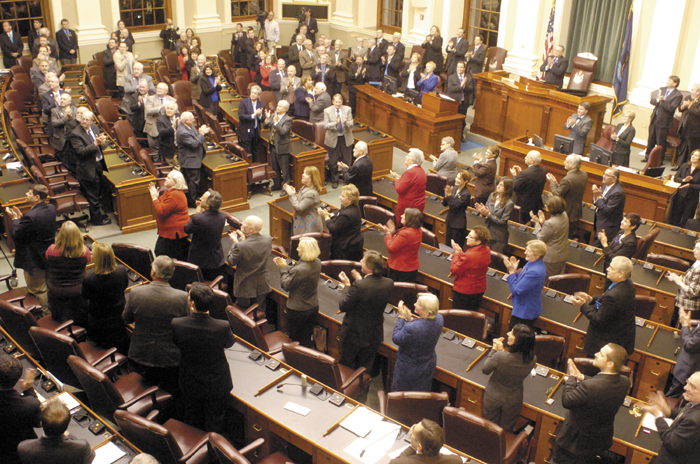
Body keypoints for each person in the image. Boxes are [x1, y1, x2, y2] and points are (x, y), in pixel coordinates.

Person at [550, 343, 631, 464]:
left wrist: (572, 377)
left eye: (601, 354)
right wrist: (582, 377)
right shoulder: (625, 382)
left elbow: (567, 400)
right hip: (597, 441)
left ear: (610, 364)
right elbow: (603, 384)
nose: (596, 354)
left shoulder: (590, 387)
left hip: (574, 444)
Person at [172, 283, 234, 433]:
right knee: (215, 422)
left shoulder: (177, 324)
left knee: (192, 418)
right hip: (216, 383)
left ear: (191, 303)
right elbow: (229, 343)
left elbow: (176, 342)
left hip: (190, 381)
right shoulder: (222, 326)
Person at [123, 255, 189, 393]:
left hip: (140, 355)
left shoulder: (136, 292)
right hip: (169, 360)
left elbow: (126, 319)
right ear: (171, 273)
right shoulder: (182, 297)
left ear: (153, 272)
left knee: (138, 391)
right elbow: (185, 328)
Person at [337, 250, 394, 371]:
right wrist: (360, 280)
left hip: (353, 334)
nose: (360, 262)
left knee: (344, 367)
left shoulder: (359, 286)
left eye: (362, 261)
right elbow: (370, 292)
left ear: (369, 268)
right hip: (373, 334)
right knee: (365, 369)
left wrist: (347, 285)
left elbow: (343, 305)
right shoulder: (389, 283)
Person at [571, 256, 636, 356]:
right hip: (620, 337)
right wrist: (591, 299)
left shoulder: (614, 295)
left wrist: (583, 304)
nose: (607, 269)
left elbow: (597, 320)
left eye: (612, 268)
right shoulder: (627, 284)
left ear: (621, 274)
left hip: (606, 344)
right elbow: (606, 296)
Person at [6, 186, 56, 314]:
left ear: (37, 197)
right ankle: (53, 310)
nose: (26, 194)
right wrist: (22, 220)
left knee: (39, 290)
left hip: (34, 259)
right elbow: (35, 227)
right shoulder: (51, 208)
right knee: (49, 285)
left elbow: (16, 234)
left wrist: (15, 219)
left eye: (29, 193)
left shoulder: (31, 216)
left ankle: (45, 316)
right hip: (48, 254)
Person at [482, 324, 537, 432]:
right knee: (506, 431)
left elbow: (485, 369)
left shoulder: (499, 357)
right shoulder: (532, 359)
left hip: (493, 397)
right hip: (513, 400)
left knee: (489, 429)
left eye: (511, 333)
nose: (508, 334)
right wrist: (501, 352)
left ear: (518, 340)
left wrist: (494, 349)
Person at [273, 237, 322, 347]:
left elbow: (286, 285)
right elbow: (300, 274)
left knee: (295, 339)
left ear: (305, 250)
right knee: (306, 337)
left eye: (299, 247)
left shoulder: (299, 270)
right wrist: (288, 267)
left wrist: (283, 268)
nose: (297, 249)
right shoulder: (317, 263)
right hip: (312, 306)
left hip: (298, 310)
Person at [642, 372, 700, 464]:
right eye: (687, 382)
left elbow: (671, 442)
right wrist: (665, 409)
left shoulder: (694, 420)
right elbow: (682, 412)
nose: (685, 387)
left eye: (692, 386)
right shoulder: (695, 403)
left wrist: (657, 416)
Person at [17, 397, 95, 464]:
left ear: (41, 423)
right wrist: (68, 435)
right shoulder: (82, 447)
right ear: (67, 425)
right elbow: (90, 458)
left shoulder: (24, 448)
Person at [82, 243, 129, 353]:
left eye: (92, 253)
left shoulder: (89, 279)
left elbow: (85, 296)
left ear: (96, 259)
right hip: (118, 317)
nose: (91, 255)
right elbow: (125, 286)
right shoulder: (122, 270)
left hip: (98, 321)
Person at [392, 293, 444, 392]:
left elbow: (396, 338)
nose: (414, 304)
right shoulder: (439, 319)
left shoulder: (411, 328)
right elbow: (423, 326)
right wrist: (410, 319)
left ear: (426, 310)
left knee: (402, 395)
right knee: (421, 393)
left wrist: (401, 318)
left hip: (408, 369)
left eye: (418, 304)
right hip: (427, 365)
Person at [70, 111, 112, 225]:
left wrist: (102, 143)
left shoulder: (94, 127)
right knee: (93, 195)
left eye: (87, 120)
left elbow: (103, 144)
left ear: (92, 121)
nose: (84, 121)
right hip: (86, 169)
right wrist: (95, 144)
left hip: (98, 164)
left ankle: (98, 214)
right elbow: (81, 151)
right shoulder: (75, 134)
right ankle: (96, 220)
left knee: (99, 190)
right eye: (82, 119)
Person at [45, 221, 91, 325]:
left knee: (59, 319)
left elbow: (48, 261)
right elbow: (87, 262)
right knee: (79, 319)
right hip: (77, 292)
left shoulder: (50, 250)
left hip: (56, 291)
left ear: (60, 235)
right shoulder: (84, 252)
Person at [0, 356, 41, 464]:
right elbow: (40, 422)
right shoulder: (29, 405)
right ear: (18, 378)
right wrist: (29, 389)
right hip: (19, 454)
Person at [227, 215, 272, 312]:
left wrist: (235, 242)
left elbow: (231, 261)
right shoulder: (268, 239)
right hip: (262, 283)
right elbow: (253, 249)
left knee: (243, 311)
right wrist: (243, 240)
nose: (242, 223)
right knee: (260, 311)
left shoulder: (241, 246)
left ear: (251, 229)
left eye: (245, 222)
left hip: (245, 285)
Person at [503, 240, 547, 328]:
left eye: (529, 251)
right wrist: (515, 270)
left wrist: (511, 271)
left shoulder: (535, 271)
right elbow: (520, 281)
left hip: (525, 311)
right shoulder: (531, 263)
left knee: (515, 338)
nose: (525, 252)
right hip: (522, 306)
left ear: (538, 255)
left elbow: (517, 290)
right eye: (526, 249)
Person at [184, 190, 226, 281]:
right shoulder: (222, 216)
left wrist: (198, 213)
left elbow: (187, 229)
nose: (200, 199)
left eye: (203, 198)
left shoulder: (198, 218)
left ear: (208, 205)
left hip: (200, 260)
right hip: (216, 259)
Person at [148, 171, 189, 261]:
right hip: (168, 231)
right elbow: (162, 205)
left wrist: (154, 198)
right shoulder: (168, 192)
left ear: (175, 182)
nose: (165, 179)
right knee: (161, 253)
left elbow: (162, 211)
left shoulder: (175, 195)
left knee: (162, 253)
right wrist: (157, 197)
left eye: (169, 178)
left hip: (174, 234)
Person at [450, 225, 491, 312]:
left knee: (459, 317)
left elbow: (454, 270)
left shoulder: (469, 255)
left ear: (478, 241)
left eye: (470, 237)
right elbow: (472, 265)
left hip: (464, 292)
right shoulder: (487, 250)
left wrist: (457, 254)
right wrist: (462, 255)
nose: (466, 237)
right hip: (479, 290)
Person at [319, 184, 364, 261]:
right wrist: (332, 215)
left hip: (347, 248)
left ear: (350, 200)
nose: (340, 197)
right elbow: (340, 213)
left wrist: (326, 217)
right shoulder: (353, 206)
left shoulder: (347, 214)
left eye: (343, 196)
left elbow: (333, 228)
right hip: (353, 241)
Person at [547, 154, 588, 237]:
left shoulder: (567, 179)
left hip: (567, 212)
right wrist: (557, 184)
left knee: (562, 236)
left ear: (573, 166)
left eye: (567, 161)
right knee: (570, 235)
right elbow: (570, 190)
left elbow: (557, 194)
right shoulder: (584, 174)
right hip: (576, 211)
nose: (564, 162)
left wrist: (552, 183)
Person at [645, 76, 683, 165]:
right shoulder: (662, 89)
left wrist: (663, 101)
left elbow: (671, 108)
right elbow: (653, 101)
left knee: (660, 141)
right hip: (655, 118)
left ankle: (659, 160)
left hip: (664, 121)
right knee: (651, 139)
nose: (667, 82)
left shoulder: (678, 95)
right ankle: (647, 157)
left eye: (670, 81)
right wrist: (656, 100)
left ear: (675, 84)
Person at [177, 112, 212, 207]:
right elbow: (194, 144)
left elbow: (197, 137)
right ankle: (192, 202)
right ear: (186, 121)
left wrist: (202, 132)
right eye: (192, 119)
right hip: (190, 161)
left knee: (195, 181)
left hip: (194, 158)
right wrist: (201, 133)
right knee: (193, 182)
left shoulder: (189, 126)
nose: (194, 120)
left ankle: (196, 197)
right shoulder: (182, 132)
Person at [378, 208, 423, 283]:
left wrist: (388, 233)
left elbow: (391, 248)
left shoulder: (405, 233)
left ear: (409, 219)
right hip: (411, 267)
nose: (401, 216)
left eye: (404, 215)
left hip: (399, 269)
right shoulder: (418, 230)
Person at [389, 419, 463, 464]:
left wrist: (412, 447)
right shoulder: (456, 461)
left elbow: (398, 461)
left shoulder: (399, 463)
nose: (411, 433)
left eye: (413, 433)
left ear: (419, 446)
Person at [664, 307, 700, 398]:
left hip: (688, 371)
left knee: (672, 399)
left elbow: (689, 345)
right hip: (689, 368)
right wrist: (692, 322)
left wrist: (685, 325)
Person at [532, 195, 570, 277]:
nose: (545, 205)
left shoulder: (550, 223)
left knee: (547, 281)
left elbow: (540, 239)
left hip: (551, 258)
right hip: (562, 254)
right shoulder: (564, 214)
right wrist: (543, 223)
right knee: (557, 280)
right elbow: (555, 232)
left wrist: (537, 224)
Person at [475, 177, 514, 253]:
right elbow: (486, 211)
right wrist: (482, 212)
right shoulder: (492, 195)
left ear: (507, 188)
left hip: (498, 237)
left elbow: (502, 222)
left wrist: (488, 214)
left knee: (493, 260)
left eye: (501, 185)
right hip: (486, 232)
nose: (498, 186)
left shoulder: (509, 203)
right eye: (498, 184)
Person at [324, 94, 354, 189]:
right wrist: (336, 123)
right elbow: (326, 125)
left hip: (345, 138)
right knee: (333, 161)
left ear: (342, 102)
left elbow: (351, 123)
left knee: (347, 160)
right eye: (336, 102)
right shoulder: (327, 111)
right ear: (333, 102)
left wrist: (346, 123)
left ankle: (347, 180)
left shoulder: (347, 109)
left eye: (339, 102)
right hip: (333, 138)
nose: (337, 104)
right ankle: (335, 180)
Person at [599, 213, 640, 278]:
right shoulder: (621, 232)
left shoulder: (631, 242)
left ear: (633, 226)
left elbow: (615, 259)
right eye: (623, 220)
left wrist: (605, 244)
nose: (622, 222)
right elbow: (612, 247)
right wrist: (604, 239)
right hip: (606, 263)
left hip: (616, 273)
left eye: (625, 221)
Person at [264, 100, 293, 193]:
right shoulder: (273, 115)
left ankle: (286, 188)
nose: (277, 107)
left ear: (285, 109)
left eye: (280, 106)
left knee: (284, 170)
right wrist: (268, 119)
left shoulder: (288, 119)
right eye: (278, 105)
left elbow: (283, 131)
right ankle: (277, 184)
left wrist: (276, 123)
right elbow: (266, 126)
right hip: (273, 145)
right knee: (274, 167)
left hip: (282, 147)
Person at [285, 166, 323, 235]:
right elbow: (301, 200)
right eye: (303, 173)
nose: (302, 175)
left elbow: (300, 208)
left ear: (312, 178)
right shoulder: (305, 188)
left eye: (306, 174)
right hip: (303, 222)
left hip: (308, 226)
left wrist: (291, 195)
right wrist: (293, 193)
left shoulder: (311, 193)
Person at [593, 168, 626, 245]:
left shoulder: (618, 193)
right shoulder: (606, 185)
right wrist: (596, 195)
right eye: (604, 173)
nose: (603, 176)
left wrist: (598, 197)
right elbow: (600, 202)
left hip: (608, 227)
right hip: (600, 222)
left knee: (598, 248)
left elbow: (607, 210)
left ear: (614, 179)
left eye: (607, 175)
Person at [392, 149, 427, 219]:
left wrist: (397, 179)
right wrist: (401, 178)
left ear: (413, 160)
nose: (405, 157)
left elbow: (399, 189)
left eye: (408, 156)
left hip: (409, 207)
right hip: (418, 205)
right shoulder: (422, 171)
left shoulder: (410, 172)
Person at [511, 149, 547, 217]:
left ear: (532, 161)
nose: (525, 158)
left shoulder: (525, 174)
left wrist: (515, 175)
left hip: (524, 206)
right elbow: (530, 181)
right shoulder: (543, 170)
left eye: (527, 157)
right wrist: (521, 175)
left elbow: (514, 187)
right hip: (536, 204)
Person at [442, 170, 472, 248]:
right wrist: (446, 195)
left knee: (455, 246)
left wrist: (449, 195)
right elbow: (445, 204)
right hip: (450, 220)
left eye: (459, 179)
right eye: (457, 177)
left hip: (458, 224)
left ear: (466, 181)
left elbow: (454, 205)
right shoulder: (454, 188)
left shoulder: (466, 194)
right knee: (447, 245)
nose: (456, 179)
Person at [674, 82, 700, 170]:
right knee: (682, 148)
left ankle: (689, 168)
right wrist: (683, 106)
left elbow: (698, 113)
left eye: (693, 90)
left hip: (694, 131)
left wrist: (689, 106)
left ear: (698, 92)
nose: (690, 91)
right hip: (683, 127)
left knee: (691, 151)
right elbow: (680, 109)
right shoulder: (688, 97)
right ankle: (679, 166)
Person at [672, 150, 700, 227]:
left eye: (696, 156)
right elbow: (676, 178)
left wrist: (690, 185)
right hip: (681, 195)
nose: (693, 157)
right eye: (692, 154)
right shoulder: (684, 166)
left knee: (687, 218)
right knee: (676, 216)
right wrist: (683, 180)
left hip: (692, 198)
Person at [237, 84, 265, 158]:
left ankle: (253, 165)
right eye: (252, 92)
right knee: (247, 153)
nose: (252, 95)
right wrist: (254, 115)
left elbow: (262, 119)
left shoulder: (261, 104)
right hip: (245, 132)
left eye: (255, 93)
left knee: (254, 151)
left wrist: (260, 115)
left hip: (255, 132)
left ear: (259, 95)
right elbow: (241, 116)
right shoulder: (244, 102)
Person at [156, 101, 180, 168]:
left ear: (175, 111)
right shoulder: (160, 119)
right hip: (169, 149)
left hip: (180, 148)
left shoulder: (180, 117)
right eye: (167, 108)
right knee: (177, 168)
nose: (169, 110)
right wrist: (172, 127)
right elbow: (162, 133)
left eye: (171, 109)